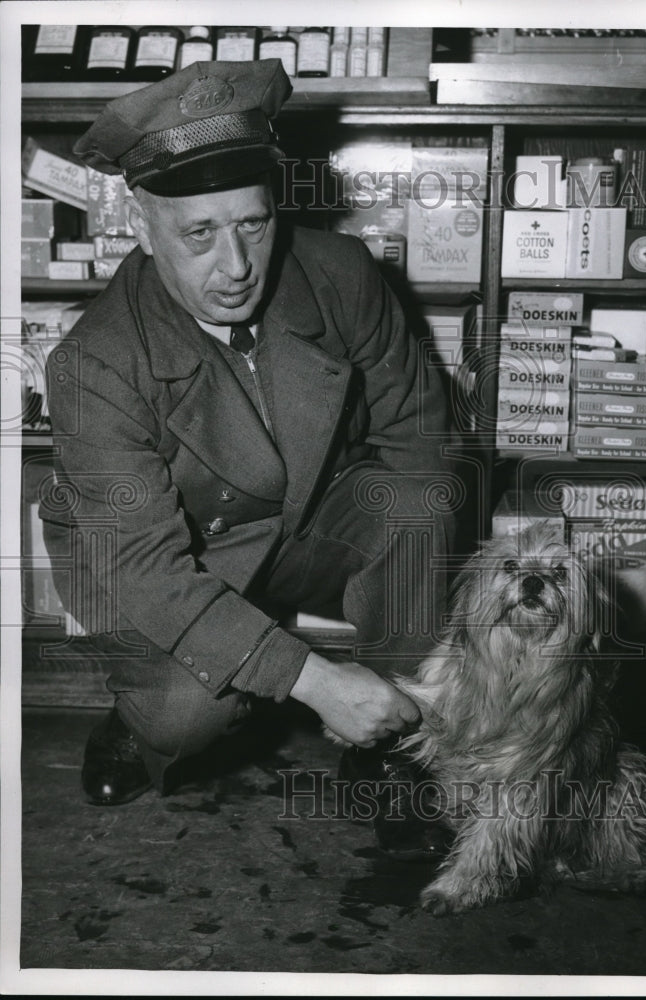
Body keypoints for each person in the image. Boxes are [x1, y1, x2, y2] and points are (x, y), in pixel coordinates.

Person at [40, 60, 457, 858]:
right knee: (183, 714)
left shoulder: (341, 277)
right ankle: (136, 721)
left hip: (301, 517)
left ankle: (395, 745)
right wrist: (318, 681)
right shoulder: (91, 364)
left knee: (415, 498)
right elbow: (150, 569)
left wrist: (396, 675)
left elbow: (418, 439)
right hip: (158, 557)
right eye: (198, 233)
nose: (234, 268)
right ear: (141, 223)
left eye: (253, 225)